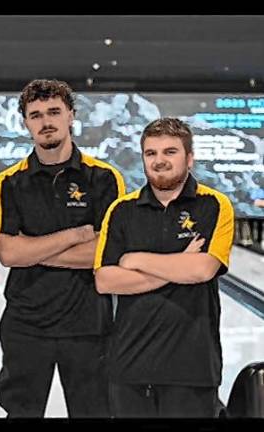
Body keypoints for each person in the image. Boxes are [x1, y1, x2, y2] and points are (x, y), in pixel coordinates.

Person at [0, 79, 125, 417]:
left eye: (54, 112)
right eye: (36, 115)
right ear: (25, 122)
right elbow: (8, 254)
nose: (45, 121)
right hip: (25, 324)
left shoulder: (104, 178)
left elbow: (105, 253)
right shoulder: (8, 183)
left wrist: (33, 249)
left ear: (71, 116)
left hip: (89, 327)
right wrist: (75, 235)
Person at [94, 117, 235, 417]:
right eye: (151, 153)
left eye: (170, 152)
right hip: (129, 368)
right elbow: (105, 280)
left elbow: (201, 271)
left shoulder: (214, 204)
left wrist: (136, 260)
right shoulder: (121, 210)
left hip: (192, 369)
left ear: (189, 158)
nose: (159, 161)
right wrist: (179, 263)